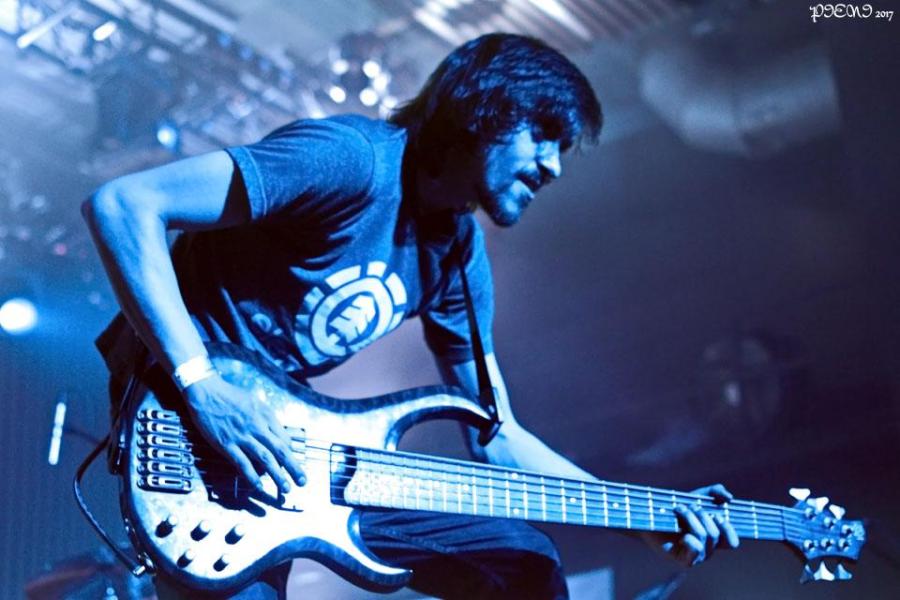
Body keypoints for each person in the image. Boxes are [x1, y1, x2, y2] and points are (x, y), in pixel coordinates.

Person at [83, 33, 738, 599]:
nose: (553, 167)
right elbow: (124, 205)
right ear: (485, 110)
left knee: (523, 565)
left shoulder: (457, 254)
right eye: (543, 135)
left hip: (287, 450)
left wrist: (642, 517)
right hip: (186, 419)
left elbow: (498, 436)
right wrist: (202, 384)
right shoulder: (350, 160)